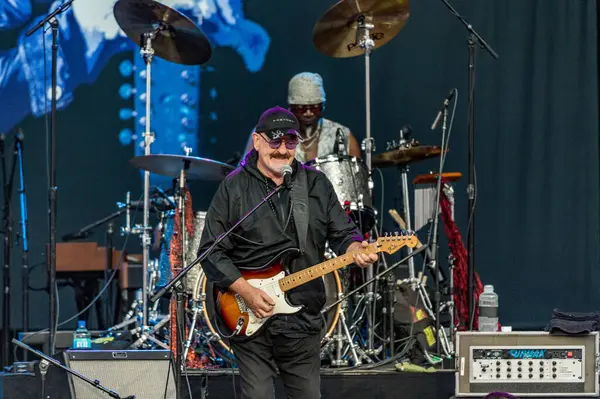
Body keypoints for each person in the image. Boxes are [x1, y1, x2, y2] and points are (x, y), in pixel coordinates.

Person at [199, 106, 378, 399]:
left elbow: (343, 233)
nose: (283, 150)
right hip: (249, 315)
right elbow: (211, 251)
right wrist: (245, 291)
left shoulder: (315, 184)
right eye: (275, 141)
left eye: (290, 142)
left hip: (302, 318)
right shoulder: (234, 187)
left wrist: (356, 248)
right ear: (257, 141)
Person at [242, 72, 362, 163]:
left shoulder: (341, 134)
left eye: (315, 107)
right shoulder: (266, 132)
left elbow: (358, 184)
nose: (308, 113)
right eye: (301, 108)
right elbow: (243, 174)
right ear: (290, 107)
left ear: (323, 105)